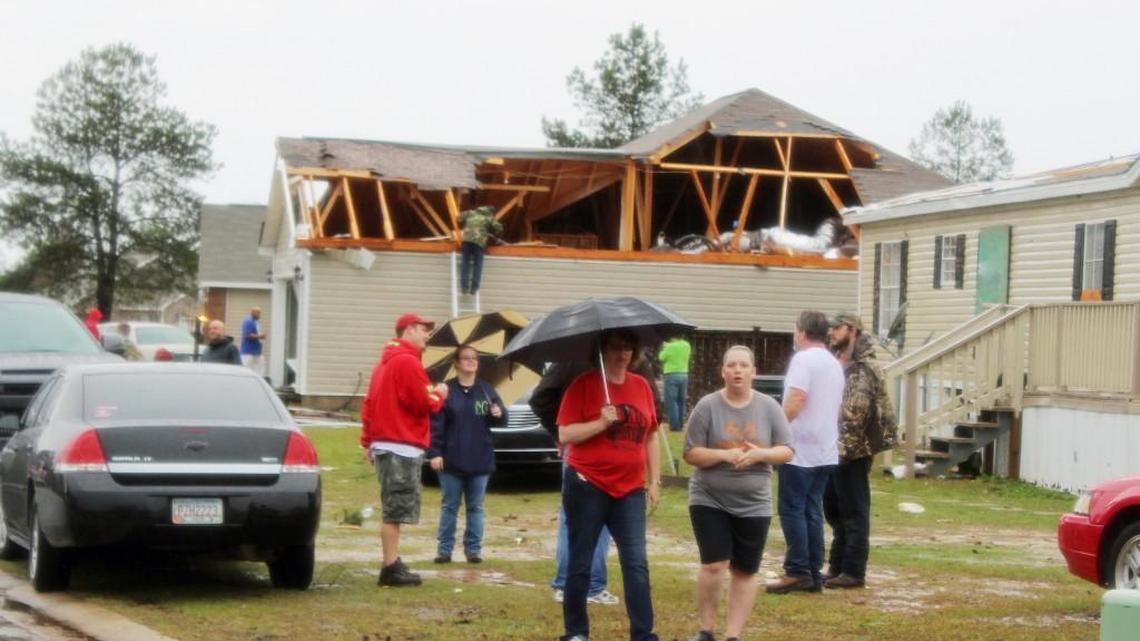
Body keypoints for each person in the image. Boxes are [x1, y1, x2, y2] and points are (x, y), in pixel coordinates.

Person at [684, 345, 793, 641]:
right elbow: (691, 453)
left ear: (753, 372)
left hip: (754, 502)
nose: (737, 371)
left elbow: (787, 451)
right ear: (722, 372)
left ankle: (733, 635)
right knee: (714, 564)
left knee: (745, 570)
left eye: (743, 365)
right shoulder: (707, 406)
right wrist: (724, 455)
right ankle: (706, 630)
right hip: (709, 497)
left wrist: (761, 455)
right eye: (731, 365)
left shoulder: (769, 407)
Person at [557, 329, 661, 641]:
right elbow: (564, 435)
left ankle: (643, 634)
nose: (623, 353)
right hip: (587, 483)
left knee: (636, 563)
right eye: (616, 347)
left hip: (629, 489)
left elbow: (652, 433)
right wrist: (600, 423)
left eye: (628, 347)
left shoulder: (641, 386)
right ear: (602, 351)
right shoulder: (583, 386)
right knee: (581, 561)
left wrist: (654, 480)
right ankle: (576, 632)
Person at [360, 313, 449, 587]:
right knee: (395, 510)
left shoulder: (383, 364)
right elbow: (421, 402)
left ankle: (393, 561)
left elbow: (369, 405)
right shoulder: (408, 362)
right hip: (400, 445)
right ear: (409, 330)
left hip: (387, 442)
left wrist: (367, 440)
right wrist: (440, 394)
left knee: (394, 506)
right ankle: (389, 567)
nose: (427, 336)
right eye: (424, 331)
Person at [766, 310, 844, 594]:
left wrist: (775, 429)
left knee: (792, 509)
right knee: (812, 510)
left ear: (801, 332)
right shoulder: (834, 364)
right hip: (826, 448)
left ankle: (797, 570)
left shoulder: (803, 360)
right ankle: (812, 569)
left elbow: (797, 399)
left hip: (800, 448)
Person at [823, 313, 889, 589]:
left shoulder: (865, 366)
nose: (831, 333)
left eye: (836, 328)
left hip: (854, 449)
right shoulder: (836, 362)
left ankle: (853, 571)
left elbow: (856, 412)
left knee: (854, 512)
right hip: (832, 448)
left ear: (852, 330)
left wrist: (844, 448)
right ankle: (836, 567)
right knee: (834, 511)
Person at [428, 345, 506, 564]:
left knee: (476, 507)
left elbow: (499, 419)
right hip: (451, 460)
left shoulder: (486, 390)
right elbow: (436, 424)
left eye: (475, 358)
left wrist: (498, 413)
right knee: (450, 506)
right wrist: (434, 452)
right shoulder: (446, 391)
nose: (471, 362)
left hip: (480, 459)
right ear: (456, 363)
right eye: (466, 358)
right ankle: (444, 550)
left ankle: (473, 549)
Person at [457, 196, 502, 295]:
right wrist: (491, 232)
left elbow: (458, 218)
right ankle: (474, 289)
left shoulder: (470, 212)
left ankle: (464, 288)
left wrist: (467, 226)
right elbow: (499, 228)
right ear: (491, 212)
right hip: (478, 243)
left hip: (466, 241)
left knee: (465, 264)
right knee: (478, 266)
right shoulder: (488, 217)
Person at [659, 335, 692, 432]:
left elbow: (661, 357)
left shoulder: (669, 346)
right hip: (684, 374)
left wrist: (665, 347)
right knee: (681, 401)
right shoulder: (686, 345)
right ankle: (681, 424)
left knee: (671, 401)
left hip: (671, 374)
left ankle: (674, 426)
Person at [241, 307, 267, 376]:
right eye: (258, 313)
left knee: (260, 366)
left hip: (256, 351)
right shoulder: (248, 321)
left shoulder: (255, 322)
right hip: (248, 351)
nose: (260, 315)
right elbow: (247, 335)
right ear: (253, 313)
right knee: (246, 370)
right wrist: (260, 336)